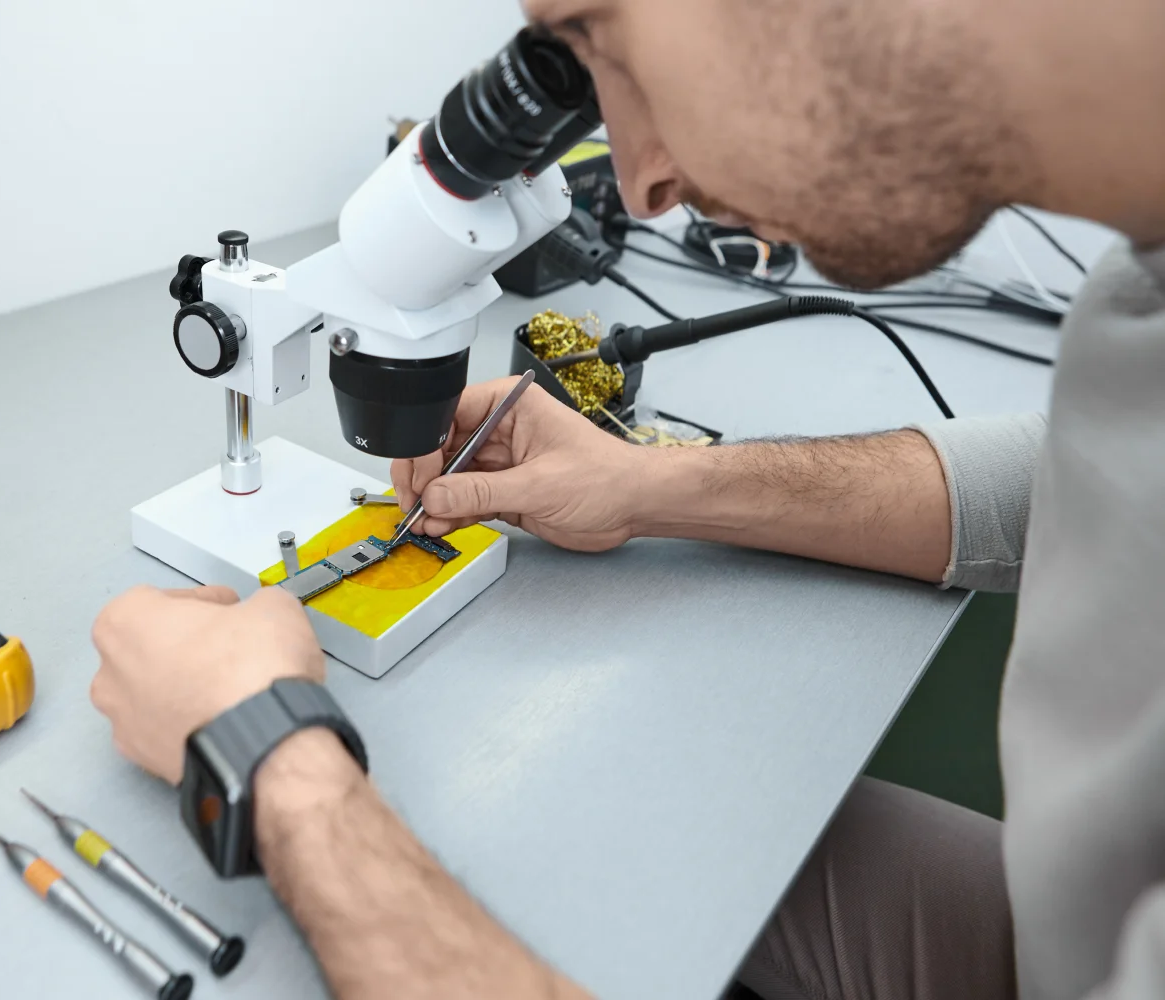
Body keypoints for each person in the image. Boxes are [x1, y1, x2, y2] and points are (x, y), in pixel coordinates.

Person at [88, 0, 1165, 996]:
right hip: (1073, 913)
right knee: (639, 842)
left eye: (608, 37)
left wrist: (275, 767)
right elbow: (1064, 478)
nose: (644, 185)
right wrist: (646, 485)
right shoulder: (1139, 292)